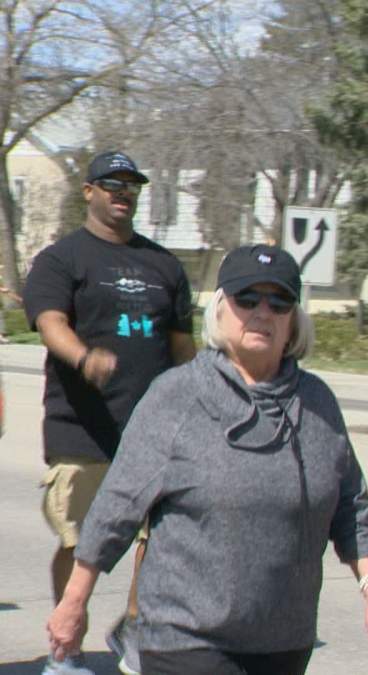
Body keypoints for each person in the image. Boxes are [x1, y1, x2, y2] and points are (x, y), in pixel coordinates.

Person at [45, 244, 368, 674]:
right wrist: (74, 602)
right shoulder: (178, 396)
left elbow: (350, 506)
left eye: (279, 300)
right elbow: (117, 506)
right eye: (247, 299)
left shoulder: (316, 403)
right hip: (186, 639)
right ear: (220, 309)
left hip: (283, 642)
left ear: (294, 319)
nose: (262, 312)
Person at [23, 150, 196, 675]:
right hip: (83, 426)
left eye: (131, 186)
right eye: (112, 184)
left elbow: (183, 345)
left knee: (160, 538)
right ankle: (66, 648)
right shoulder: (62, 259)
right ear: (89, 191)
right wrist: (82, 357)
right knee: (80, 541)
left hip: (154, 427)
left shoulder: (164, 265)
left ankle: (138, 627)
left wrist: (202, 397)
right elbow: (49, 321)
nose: (123, 193)